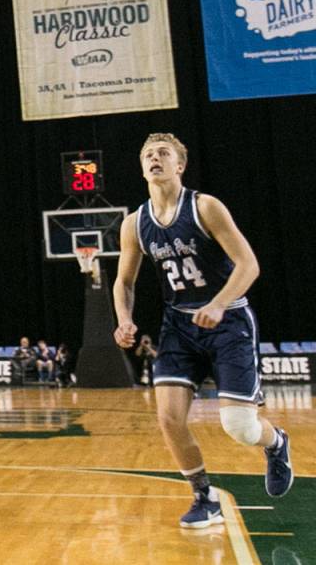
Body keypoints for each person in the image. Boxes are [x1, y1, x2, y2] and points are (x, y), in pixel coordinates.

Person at [113, 132, 293, 529]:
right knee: (169, 419)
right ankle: (203, 496)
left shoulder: (205, 207)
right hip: (179, 324)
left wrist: (218, 303)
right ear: (142, 167)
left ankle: (276, 442)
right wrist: (124, 319)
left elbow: (249, 265)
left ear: (180, 166)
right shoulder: (134, 224)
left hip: (228, 321)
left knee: (240, 428)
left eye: (163, 153)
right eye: (147, 154)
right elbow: (124, 282)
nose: (154, 158)